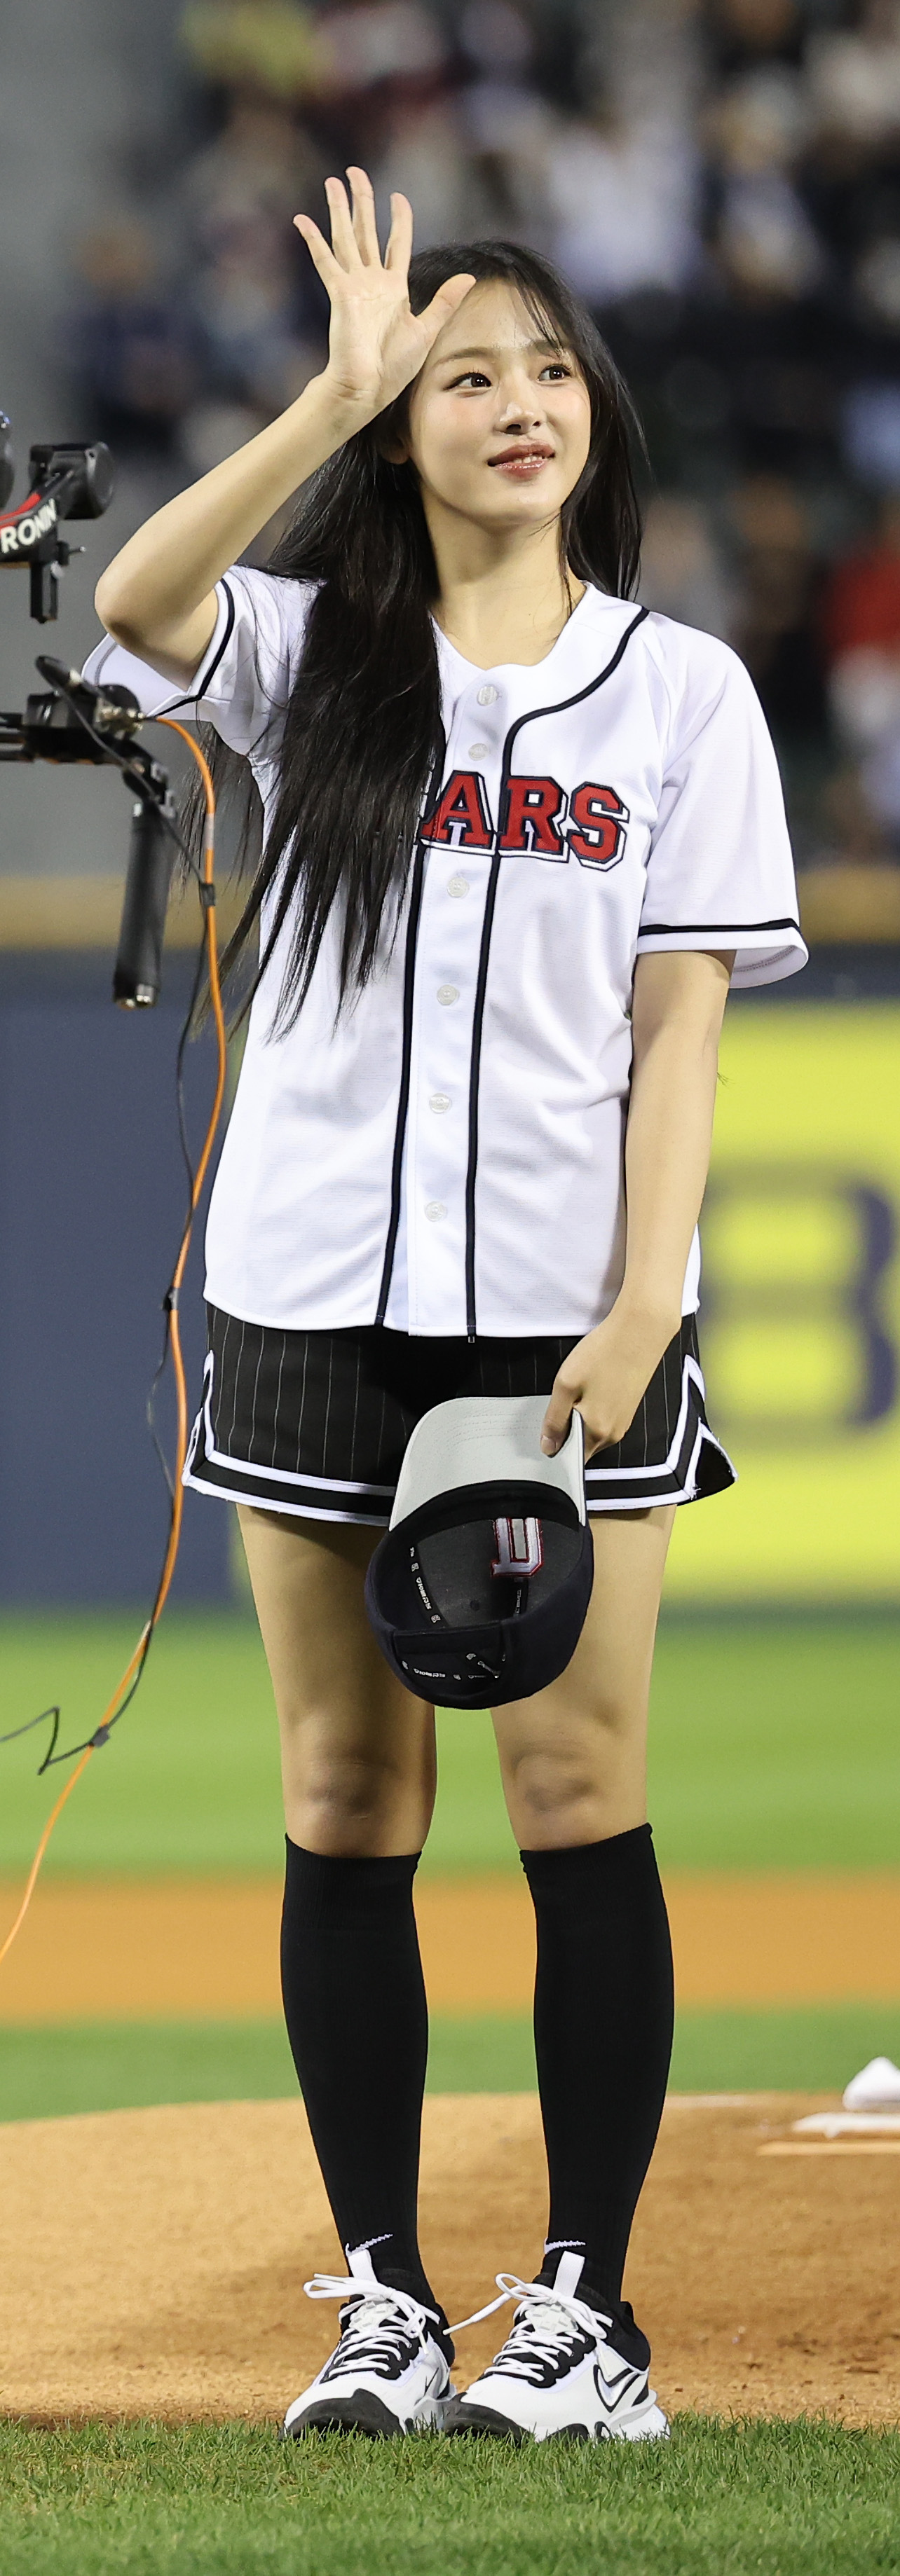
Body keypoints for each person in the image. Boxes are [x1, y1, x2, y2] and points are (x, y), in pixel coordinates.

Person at [86, 168, 806, 2444]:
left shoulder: (676, 695)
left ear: (599, 410)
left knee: (579, 1788)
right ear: (410, 421)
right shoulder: (310, 658)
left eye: (549, 369)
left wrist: (639, 1302)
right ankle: (384, 2302)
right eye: (468, 375)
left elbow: (680, 1032)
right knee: (341, 1792)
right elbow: (134, 595)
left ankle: (584, 2315)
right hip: (308, 1297)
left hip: (555, 1333)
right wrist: (326, 394)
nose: (520, 405)